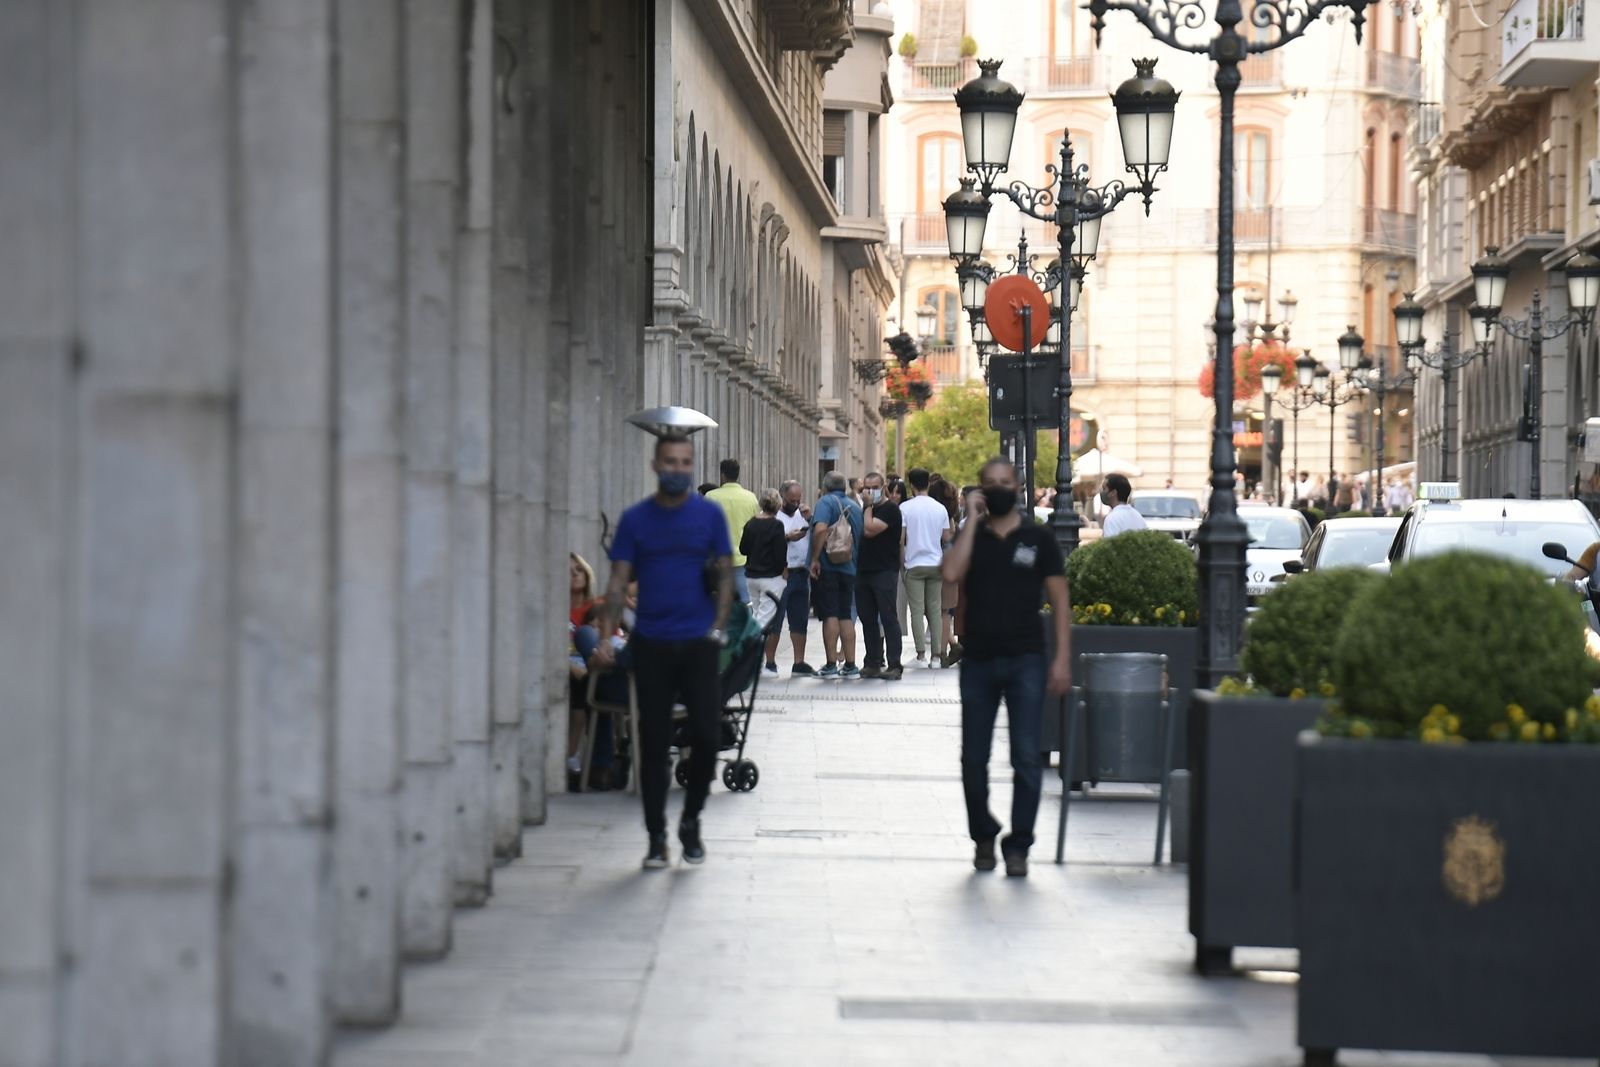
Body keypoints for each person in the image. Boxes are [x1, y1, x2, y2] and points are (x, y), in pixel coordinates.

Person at [592, 433, 732, 869]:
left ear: (692, 466)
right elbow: (617, 583)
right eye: (669, 462)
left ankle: (691, 819)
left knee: (708, 737)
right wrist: (604, 638)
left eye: (685, 462)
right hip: (650, 642)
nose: (677, 469)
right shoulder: (636, 519)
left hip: (697, 644)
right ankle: (656, 836)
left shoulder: (709, 515)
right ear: (656, 466)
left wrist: (717, 627)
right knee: (652, 744)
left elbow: (726, 575)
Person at [943, 457, 1072, 878]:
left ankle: (1018, 846)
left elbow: (1061, 601)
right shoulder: (973, 536)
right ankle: (983, 835)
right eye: (989, 484)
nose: (999, 489)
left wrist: (1062, 658)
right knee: (972, 759)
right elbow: (951, 572)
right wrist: (971, 519)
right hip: (978, 659)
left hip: (1026, 660)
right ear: (979, 489)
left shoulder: (1039, 538)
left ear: (1018, 487)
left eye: (1005, 483)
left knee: (1026, 758)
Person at [809, 471, 863, 678]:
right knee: (845, 614)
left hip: (829, 567)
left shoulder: (825, 502)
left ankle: (831, 664)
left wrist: (815, 558)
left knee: (830, 614)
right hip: (850, 568)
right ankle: (850, 665)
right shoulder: (856, 507)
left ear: (825, 486)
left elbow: (821, 529)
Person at [856, 471, 904, 680]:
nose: (869, 492)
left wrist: (867, 506)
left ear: (883, 487)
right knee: (867, 618)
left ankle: (894, 664)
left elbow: (869, 530)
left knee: (888, 617)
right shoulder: (867, 509)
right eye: (866, 487)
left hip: (884, 571)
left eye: (874, 487)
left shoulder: (890, 509)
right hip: (864, 570)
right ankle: (872, 661)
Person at [901, 468, 949, 666]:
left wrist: (902, 564)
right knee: (935, 610)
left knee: (916, 610)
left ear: (911, 485)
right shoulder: (940, 509)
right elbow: (946, 537)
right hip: (936, 563)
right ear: (928, 484)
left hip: (914, 564)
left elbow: (901, 539)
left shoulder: (904, 508)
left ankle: (920, 655)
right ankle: (936, 656)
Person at [740, 488, 789, 672]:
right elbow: (779, 555)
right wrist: (784, 570)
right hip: (771, 578)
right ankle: (749, 658)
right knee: (764, 620)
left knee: (756, 615)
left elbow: (743, 549)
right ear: (777, 505)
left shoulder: (751, 523)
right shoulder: (776, 526)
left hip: (751, 576)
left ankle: (755, 662)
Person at [706, 458, 761, 604]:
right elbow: (756, 526)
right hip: (743, 559)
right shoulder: (751, 498)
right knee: (746, 602)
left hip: (717, 559)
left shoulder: (711, 497)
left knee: (717, 600)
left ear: (722, 475)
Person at [775, 480, 815, 675]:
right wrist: (787, 537)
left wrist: (810, 520)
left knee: (800, 620)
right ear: (782, 497)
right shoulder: (775, 517)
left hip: (801, 572)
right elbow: (768, 541)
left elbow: (818, 536)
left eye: (798, 499)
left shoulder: (803, 514)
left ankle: (799, 662)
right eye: (792, 500)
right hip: (783, 574)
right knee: (776, 618)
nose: (796, 503)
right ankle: (769, 662)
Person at [931, 477, 963, 666]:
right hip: (950, 564)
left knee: (940, 610)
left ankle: (941, 652)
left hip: (938, 564)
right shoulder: (952, 517)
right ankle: (946, 648)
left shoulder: (940, 517)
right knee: (943, 611)